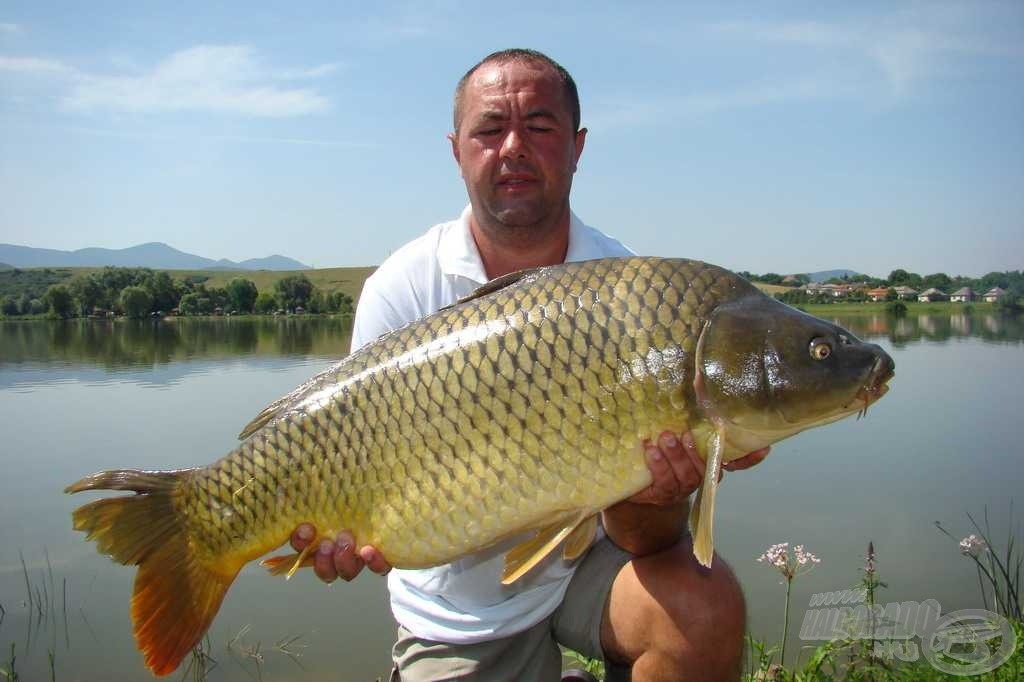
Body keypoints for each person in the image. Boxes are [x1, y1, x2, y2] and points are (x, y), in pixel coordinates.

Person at [291, 49, 769, 681]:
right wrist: (337, 528)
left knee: (703, 608)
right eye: (490, 129)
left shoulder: (631, 286)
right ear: (456, 149)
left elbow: (646, 540)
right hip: (459, 607)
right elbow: (356, 469)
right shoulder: (402, 289)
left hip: (589, 568)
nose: (513, 147)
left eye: (539, 128)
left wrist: (659, 492)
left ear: (577, 147)